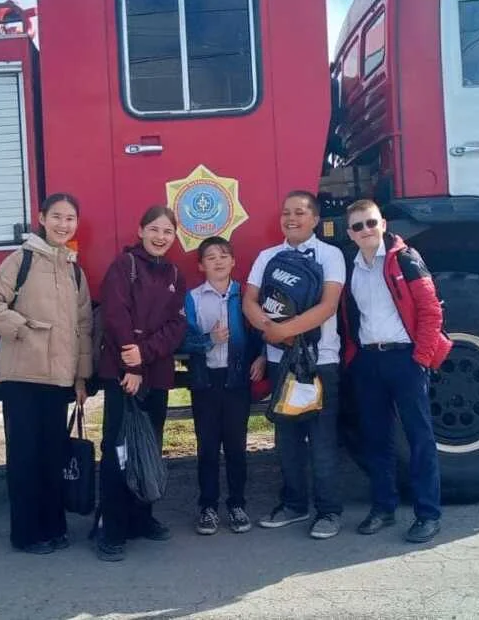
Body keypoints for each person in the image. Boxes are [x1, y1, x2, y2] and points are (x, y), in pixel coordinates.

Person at [0, 193, 91, 555]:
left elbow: (83, 327)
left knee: (52, 456)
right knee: (26, 458)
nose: (63, 224)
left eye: (70, 219)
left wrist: (81, 378)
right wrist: (22, 328)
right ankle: (25, 534)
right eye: (56, 216)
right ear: (41, 218)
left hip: (58, 381)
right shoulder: (21, 259)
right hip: (23, 377)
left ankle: (54, 527)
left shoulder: (74, 269)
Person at [340, 199, 452, 544]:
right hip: (369, 362)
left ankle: (428, 514)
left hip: (405, 359)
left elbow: (431, 310)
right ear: (349, 233)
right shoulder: (350, 267)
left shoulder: (405, 259)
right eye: (358, 226)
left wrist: (420, 357)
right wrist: (353, 358)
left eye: (371, 223)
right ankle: (383, 508)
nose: (365, 231)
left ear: (383, 224)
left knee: (420, 439)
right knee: (376, 440)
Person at [243, 190, 346, 540]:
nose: (291, 218)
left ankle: (329, 512)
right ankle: (293, 505)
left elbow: (328, 305)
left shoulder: (331, 254)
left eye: (300, 213)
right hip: (278, 364)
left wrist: (284, 332)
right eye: (286, 212)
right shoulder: (267, 256)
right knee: (286, 439)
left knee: (321, 441)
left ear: (315, 218)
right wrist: (269, 332)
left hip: (320, 362)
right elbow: (250, 300)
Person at [93, 205, 187, 562]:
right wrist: (130, 367)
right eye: (155, 230)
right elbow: (117, 318)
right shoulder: (123, 267)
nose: (161, 237)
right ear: (141, 229)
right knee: (119, 452)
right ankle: (112, 531)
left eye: (168, 232)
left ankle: (141, 519)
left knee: (149, 448)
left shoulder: (176, 273)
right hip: (122, 376)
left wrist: (144, 356)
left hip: (156, 375)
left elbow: (176, 327)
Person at [182, 236, 266, 536]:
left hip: (236, 380)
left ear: (234, 262)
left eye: (224, 256)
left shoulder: (244, 296)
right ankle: (207, 506)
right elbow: (184, 341)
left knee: (235, 446)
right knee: (206, 446)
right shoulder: (191, 298)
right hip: (205, 381)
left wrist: (262, 358)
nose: (218, 261)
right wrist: (210, 340)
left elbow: (259, 331)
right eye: (211, 257)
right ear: (201, 266)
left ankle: (236, 504)